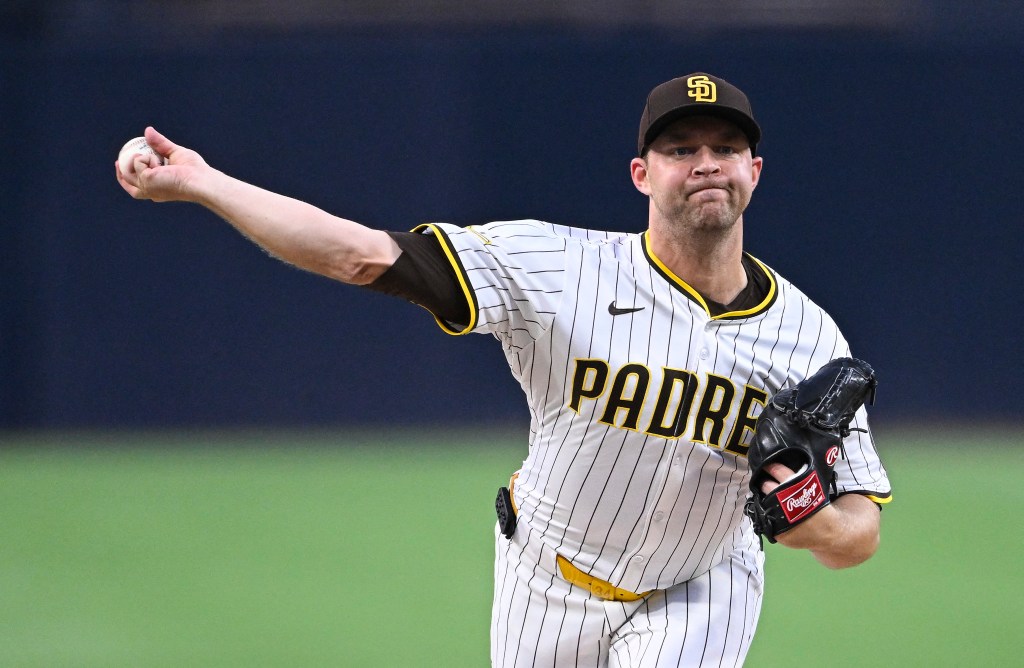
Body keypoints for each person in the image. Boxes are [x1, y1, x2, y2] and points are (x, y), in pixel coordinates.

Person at [116, 72, 891, 667]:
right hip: (546, 576)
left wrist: (807, 518)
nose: (706, 164)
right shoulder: (553, 266)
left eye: (725, 148)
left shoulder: (806, 334)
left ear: (755, 170)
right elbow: (358, 254)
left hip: (702, 585)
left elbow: (859, 535)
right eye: (680, 149)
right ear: (640, 175)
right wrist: (204, 182)